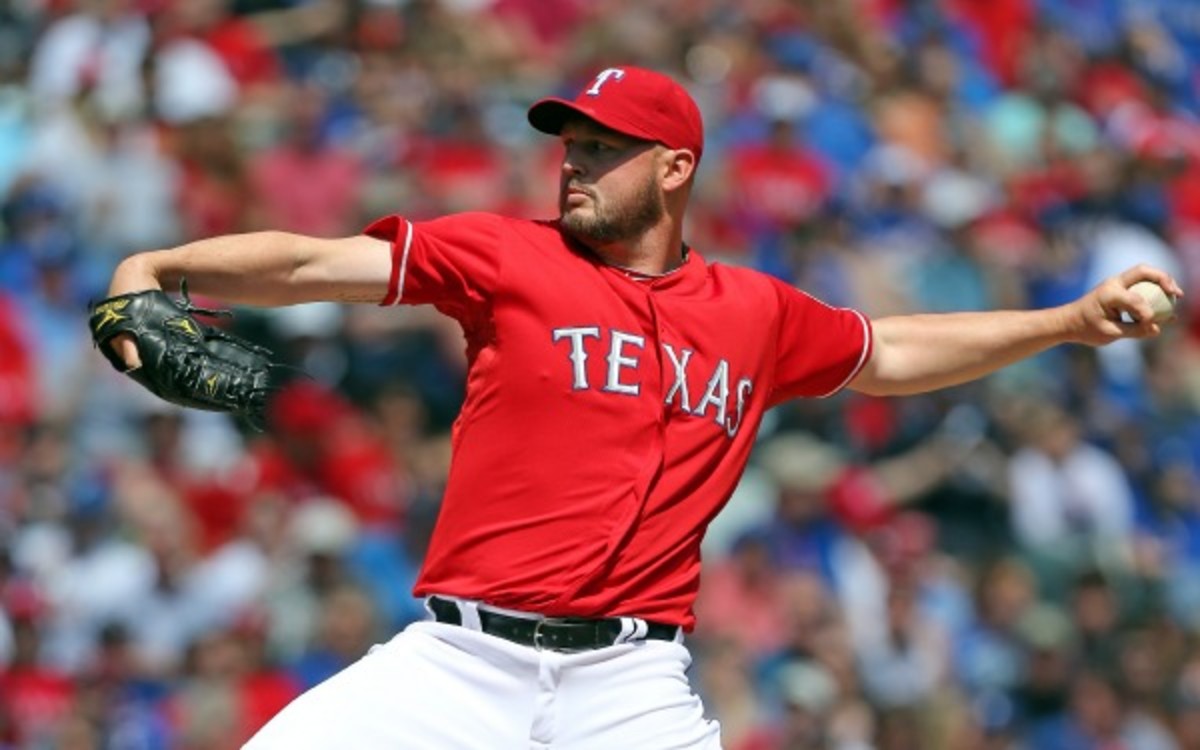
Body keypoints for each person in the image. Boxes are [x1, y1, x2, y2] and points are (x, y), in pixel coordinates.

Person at [99, 65, 1182, 749]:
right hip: (457, 665)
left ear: (674, 168)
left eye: (603, 148)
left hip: (631, 681)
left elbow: (889, 348)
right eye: (571, 143)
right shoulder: (507, 256)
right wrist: (164, 264)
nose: (574, 162)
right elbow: (314, 261)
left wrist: (1062, 322)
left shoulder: (752, 310)